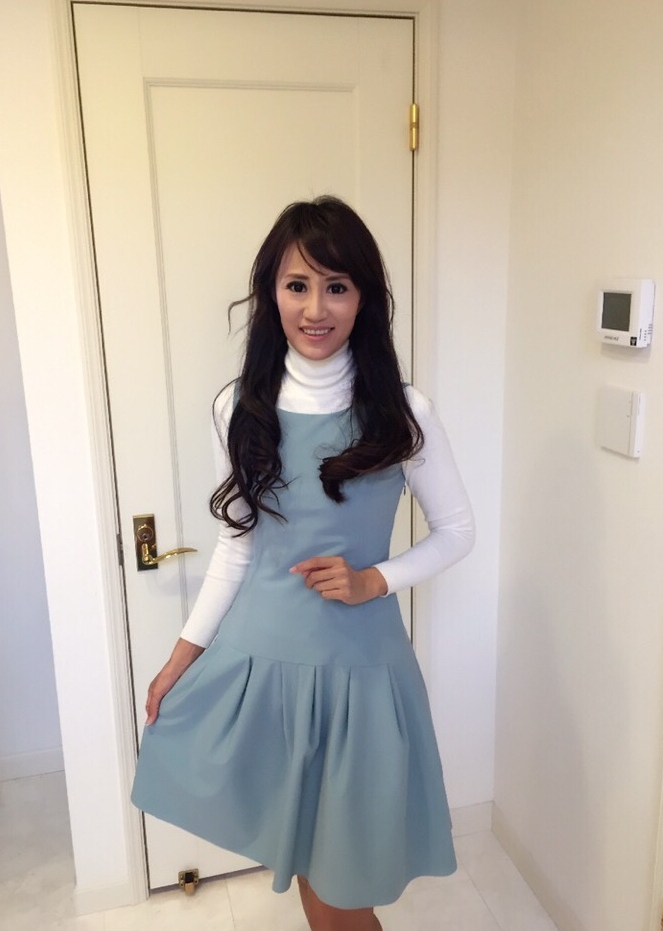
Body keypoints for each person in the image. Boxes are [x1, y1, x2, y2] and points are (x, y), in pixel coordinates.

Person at [131, 196, 475, 931]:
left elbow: (456, 532)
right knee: (317, 879)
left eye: (336, 286)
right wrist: (179, 659)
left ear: (363, 299)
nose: (316, 309)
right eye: (297, 285)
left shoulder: (403, 411)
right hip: (263, 669)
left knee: (343, 890)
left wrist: (374, 579)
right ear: (272, 294)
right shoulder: (237, 406)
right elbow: (237, 545)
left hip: (359, 674)